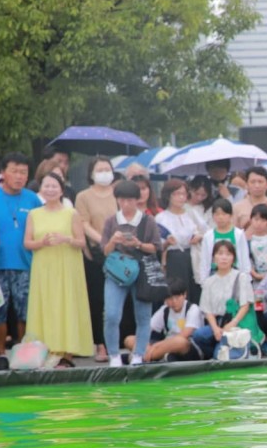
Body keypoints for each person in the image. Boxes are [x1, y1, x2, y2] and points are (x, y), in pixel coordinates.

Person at [23, 172, 91, 368]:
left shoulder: (71, 213)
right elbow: (27, 243)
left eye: (54, 186)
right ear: (40, 189)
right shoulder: (34, 214)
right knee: (45, 305)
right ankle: (44, 350)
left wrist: (65, 239)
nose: (50, 189)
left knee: (65, 304)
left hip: (66, 267)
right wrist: (41, 242)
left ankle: (66, 353)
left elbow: (81, 242)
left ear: (61, 190)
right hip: (44, 267)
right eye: (46, 186)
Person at [0, 154, 42, 370]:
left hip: (26, 263)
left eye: (24, 172)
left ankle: (23, 351)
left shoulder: (33, 199)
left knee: (24, 309)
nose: (19, 176)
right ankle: (0, 354)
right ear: (3, 173)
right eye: (15, 171)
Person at [100, 179, 162, 367]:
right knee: (111, 314)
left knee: (143, 316)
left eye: (130, 200)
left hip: (141, 271)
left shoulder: (147, 221)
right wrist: (113, 240)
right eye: (122, 200)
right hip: (116, 273)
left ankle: (139, 354)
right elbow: (105, 251)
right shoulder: (111, 221)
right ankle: (114, 354)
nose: (126, 204)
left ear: (137, 200)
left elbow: (156, 247)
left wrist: (138, 244)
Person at [75, 157, 119, 362]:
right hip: (96, 253)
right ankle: (100, 343)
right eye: (99, 169)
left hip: (121, 251)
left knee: (118, 299)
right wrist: (103, 240)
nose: (104, 173)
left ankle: (117, 341)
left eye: (107, 169)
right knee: (97, 299)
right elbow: (83, 223)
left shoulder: (119, 193)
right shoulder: (83, 196)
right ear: (91, 173)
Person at [191, 240, 254, 360]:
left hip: (236, 322)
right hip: (218, 322)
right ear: (214, 258)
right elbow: (207, 309)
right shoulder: (209, 281)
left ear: (233, 259)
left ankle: (221, 352)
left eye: (228, 254)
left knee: (221, 356)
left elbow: (245, 305)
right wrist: (215, 328)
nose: (224, 258)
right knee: (199, 335)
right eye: (220, 253)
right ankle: (214, 350)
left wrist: (232, 323)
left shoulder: (241, 277)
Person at [126, 278, 204, 362]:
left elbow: (184, 335)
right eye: (169, 299)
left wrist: (156, 346)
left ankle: (144, 357)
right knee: (130, 339)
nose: (174, 302)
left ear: (184, 295)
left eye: (177, 297)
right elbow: (148, 328)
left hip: (187, 347)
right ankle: (151, 355)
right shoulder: (164, 310)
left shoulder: (192, 309)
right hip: (164, 346)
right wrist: (147, 345)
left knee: (179, 342)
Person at [156, 178, 204, 305]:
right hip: (173, 260)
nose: (181, 197)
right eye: (177, 194)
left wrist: (199, 237)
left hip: (192, 256)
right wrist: (167, 243)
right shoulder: (161, 218)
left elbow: (205, 230)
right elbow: (158, 245)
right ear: (168, 196)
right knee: (177, 291)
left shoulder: (191, 213)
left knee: (194, 291)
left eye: (183, 194)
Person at [243, 204, 267, 339]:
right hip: (255, 284)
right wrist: (255, 274)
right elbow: (245, 261)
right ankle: (262, 339)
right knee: (257, 311)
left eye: (263, 220)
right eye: (256, 219)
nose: (258, 223)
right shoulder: (246, 241)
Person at [199, 197, 249, 283]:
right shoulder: (208, 236)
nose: (220, 217)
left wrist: (246, 277)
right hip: (214, 273)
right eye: (217, 214)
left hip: (235, 273)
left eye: (224, 214)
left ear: (230, 215)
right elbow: (205, 259)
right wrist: (204, 280)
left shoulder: (238, 234)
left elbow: (244, 257)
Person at [233, 166, 267, 234]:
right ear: (247, 184)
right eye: (253, 182)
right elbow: (233, 230)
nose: (257, 185)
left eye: (260, 182)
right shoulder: (237, 207)